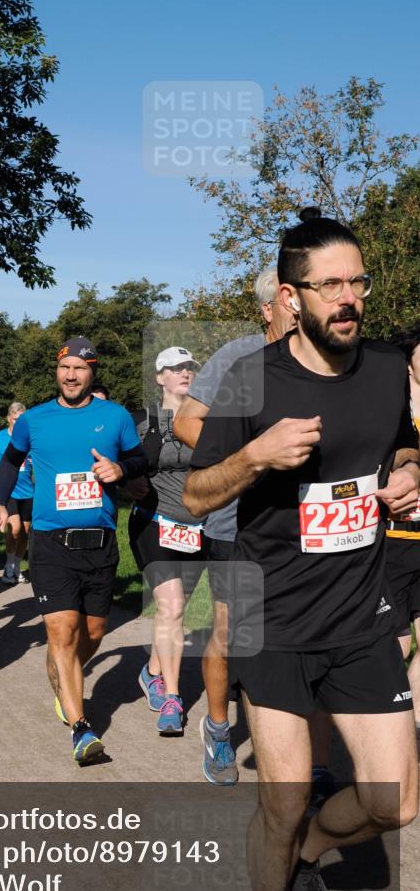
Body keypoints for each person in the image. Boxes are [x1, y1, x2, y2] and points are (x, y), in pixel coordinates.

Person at [183, 209, 419, 891]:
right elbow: (194, 495)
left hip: (361, 615)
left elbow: (406, 446)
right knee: (280, 803)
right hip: (272, 618)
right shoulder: (251, 382)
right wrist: (255, 457)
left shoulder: (385, 369)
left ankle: (314, 853)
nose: (348, 298)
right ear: (292, 298)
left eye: (358, 282)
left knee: (399, 801)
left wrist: (409, 476)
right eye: (329, 286)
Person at [0, 337, 148, 764]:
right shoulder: (34, 420)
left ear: (92, 372)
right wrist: (1, 502)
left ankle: (64, 676)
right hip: (50, 541)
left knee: (93, 633)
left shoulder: (114, 417)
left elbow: (138, 462)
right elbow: (9, 461)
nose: (71, 375)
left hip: (99, 543)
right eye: (64, 367)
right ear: (56, 372)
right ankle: (81, 728)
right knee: (62, 632)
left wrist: (120, 469)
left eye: (80, 368)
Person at [174, 267, 295, 785]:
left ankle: (308, 754)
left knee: (294, 633)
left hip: (300, 522)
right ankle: (220, 730)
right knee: (226, 632)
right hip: (232, 520)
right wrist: (244, 461)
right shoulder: (237, 358)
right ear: (269, 309)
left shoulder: (326, 362)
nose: (301, 313)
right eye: (291, 303)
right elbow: (184, 423)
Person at [127, 346, 205, 736]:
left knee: (171, 613)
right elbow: (118, 464)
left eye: (189, 366)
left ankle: (152, 672)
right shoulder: (140, 422)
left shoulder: (209, 418)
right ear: (159, 378)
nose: (184, 373)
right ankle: (173, 699)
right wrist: (128, 481)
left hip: (198, 529)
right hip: (153, 523)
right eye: (175, 368)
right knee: (172, 606)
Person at [387, 322, 420, 736]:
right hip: (392, 540)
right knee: (394, 644)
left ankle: (413, 732)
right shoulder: (391, 407)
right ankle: (387, 724)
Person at [0, 401, 34, 586]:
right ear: (8, 418)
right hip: (9, 491)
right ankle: (8, 565)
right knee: (14, 529)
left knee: (25, 533)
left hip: (28, 491)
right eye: (15, 420)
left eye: (22, 420)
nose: (19, 424)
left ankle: (16, 567)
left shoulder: (30, 439)